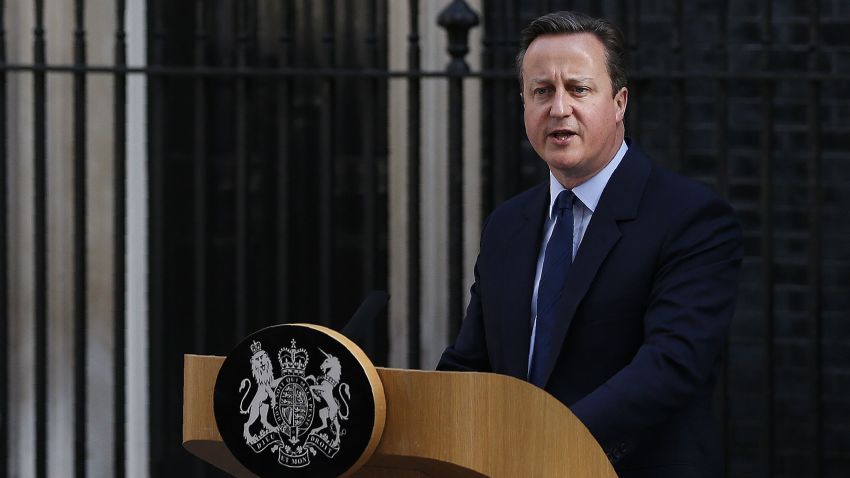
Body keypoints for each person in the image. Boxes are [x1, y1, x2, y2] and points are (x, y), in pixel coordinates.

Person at [437, 11, 743, 478]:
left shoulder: (691, 218)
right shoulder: (508, 223)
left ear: (619, 102)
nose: (559, 108)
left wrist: (544, 446)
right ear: (523, 105)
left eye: (578, 89)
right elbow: (471, 363)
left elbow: (670, 366)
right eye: (542, 91)